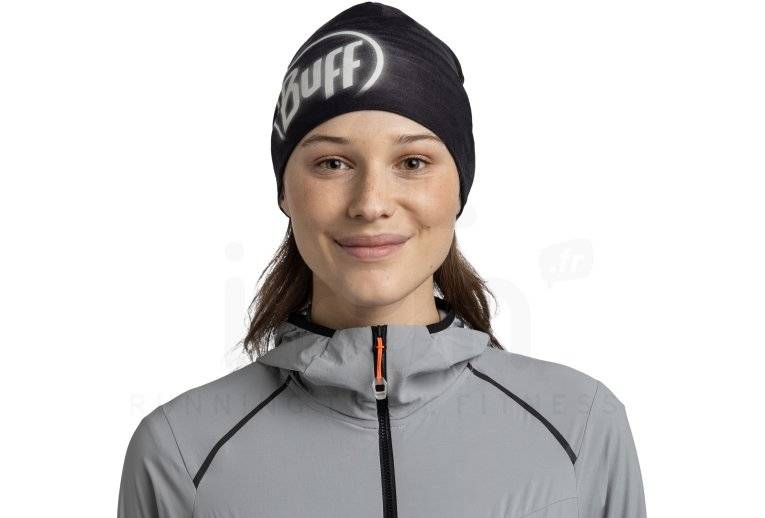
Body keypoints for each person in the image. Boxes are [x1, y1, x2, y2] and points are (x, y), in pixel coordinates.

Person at [117, 2, 647, 517]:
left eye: (412, 162)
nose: (371, 203)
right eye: (332, 163)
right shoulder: (181, 451)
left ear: (458, 189)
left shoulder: (579, 426)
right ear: (285, 192)